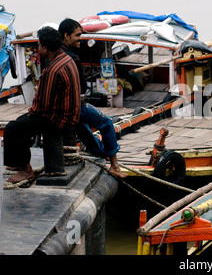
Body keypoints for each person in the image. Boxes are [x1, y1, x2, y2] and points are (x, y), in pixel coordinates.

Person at [4, 26, 81, 183]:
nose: (38, 48)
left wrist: (30, 114)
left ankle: (25, 170)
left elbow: (41, 108)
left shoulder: (52, 70)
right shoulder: (67, 59)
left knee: (12, 129)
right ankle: (20, 161)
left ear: (45, 48)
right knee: (21, 122)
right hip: (70, 114)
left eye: (39, 45)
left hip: (57, 119)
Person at [58, 18, 127, 178]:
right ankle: (115, 165)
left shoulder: (54, 55)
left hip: (61, 106)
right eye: (77, 35)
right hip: (73, 105)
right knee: (106, 123)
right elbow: (82, 88)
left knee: (83, 129)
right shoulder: (72, 58)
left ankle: (99, 153)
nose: (80, 39)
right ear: (66, 36)